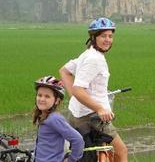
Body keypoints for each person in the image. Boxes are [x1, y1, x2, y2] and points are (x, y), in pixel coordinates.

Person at [59, 17, 128, 162]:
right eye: (103, 36)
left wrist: (75, 97)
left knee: (90, 155)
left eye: (110, 36)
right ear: (94, 37)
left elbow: (64, 71)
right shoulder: (94, 59)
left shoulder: (87, 54)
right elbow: (78, 89)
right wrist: (99, 108)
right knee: (120, 151)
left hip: (76, 114)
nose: (108, 40)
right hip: (92, 117)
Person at [33, 75, 84, 162]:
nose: (41, 99)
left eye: (47, 96)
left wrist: (71, 160)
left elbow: (77, 140)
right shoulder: (44, 116)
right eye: (39, 95)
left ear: (57, 101)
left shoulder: (54, 119)